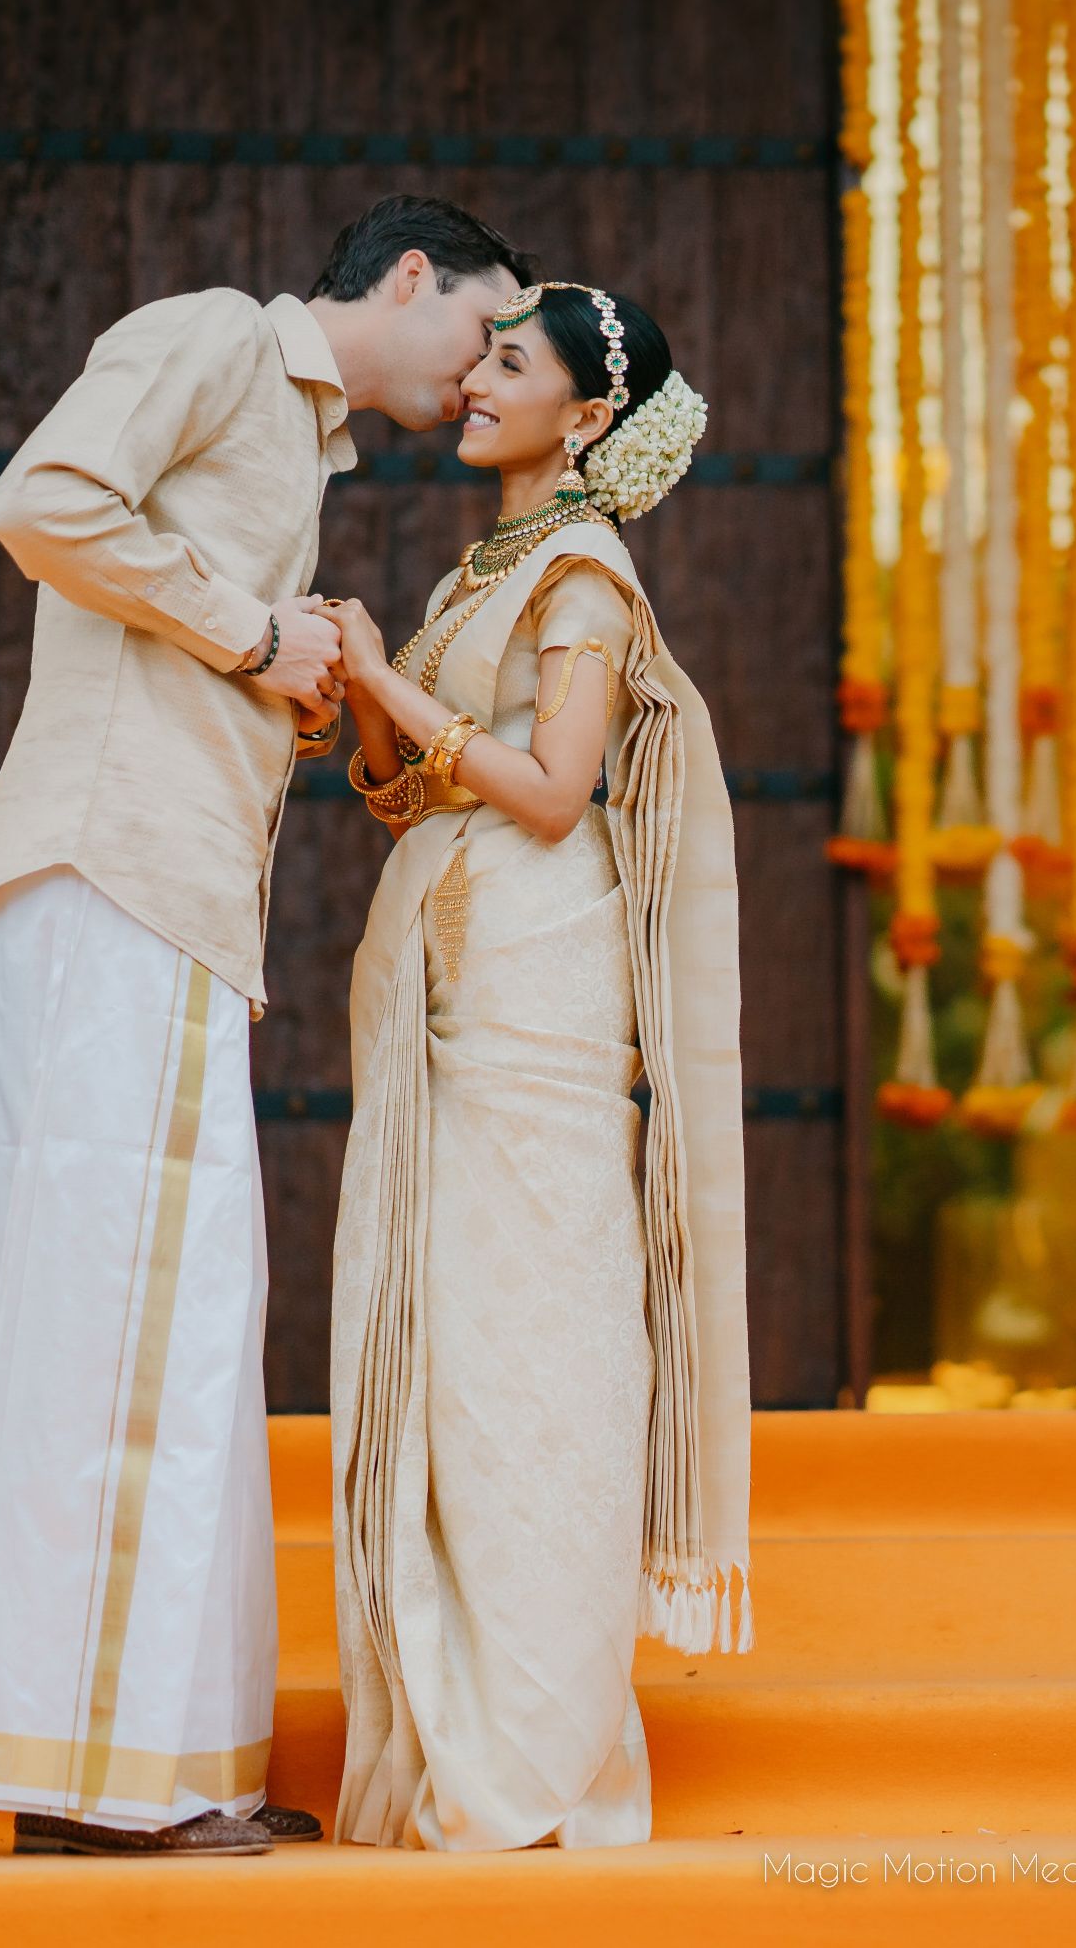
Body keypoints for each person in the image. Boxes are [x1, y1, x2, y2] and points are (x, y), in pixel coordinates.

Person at [0, 195, 530, 1858]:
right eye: (484, 327)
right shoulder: (212, 336)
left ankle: (160, 1761)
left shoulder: (300, 442)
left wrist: (297, 665)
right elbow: (42, 499)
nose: (483, 369)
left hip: (163, 901)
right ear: (412, 278)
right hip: (110, 874)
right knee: (123, 1322)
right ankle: (105, 1783)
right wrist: (260, 630)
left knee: (172, 1318)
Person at [323, 280, 751, 1851]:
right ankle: (456, 1720)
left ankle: (538, 1747)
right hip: (450, 968)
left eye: (511, 364)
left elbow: (557, 791)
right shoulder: (483, 571)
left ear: (585, 416)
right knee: (448, 1349)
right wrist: (371, 698)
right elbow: (408, 791)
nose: (476, 382)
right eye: (483, 357)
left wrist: (385, 681)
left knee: (531, 1346)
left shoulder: (585, 576)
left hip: (535, 986)